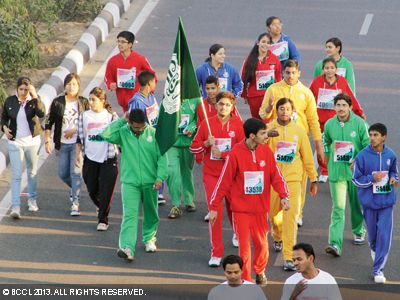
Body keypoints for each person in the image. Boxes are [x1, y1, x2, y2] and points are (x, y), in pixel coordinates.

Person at [209, 118, 290, 285]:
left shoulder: (266, 152)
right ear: (252, 136)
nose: (266, 136)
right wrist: (214, 207)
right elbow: (223, 182)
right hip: (241, 211)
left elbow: (276, 176)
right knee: (244, 249)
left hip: (260, 210)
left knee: (262, 245)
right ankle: (246, 280)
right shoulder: (235, 154)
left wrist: (284, 196)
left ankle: (259, 270)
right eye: (263, 133)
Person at [259, 59, 323, 228]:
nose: (290, 76)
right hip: (276, 140)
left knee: (299, 181)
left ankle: (297, 213)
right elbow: (263, 115)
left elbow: (313, 120)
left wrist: (318, 144)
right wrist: (268, 109)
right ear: (283, 73)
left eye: (293, 72)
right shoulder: (273, 89)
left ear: (299, 73)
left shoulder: (306, 93)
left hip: (298, 141)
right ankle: (276, 214)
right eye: (287, 72)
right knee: (275, 180)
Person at [99, 109, 167, 260]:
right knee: (129, 215)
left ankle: (149, 238)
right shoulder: (123, 132)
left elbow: (162, 158)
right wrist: (121, 120)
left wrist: (160, 178)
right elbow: (105, 134)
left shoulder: (153, 134)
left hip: (151, 183)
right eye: (135, 127)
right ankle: (127, 247)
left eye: (141, 126)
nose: (139, 130)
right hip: (130, 183)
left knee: (151, 212)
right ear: (130, 123)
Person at [190, 91, 245, 266]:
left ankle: (237, 233)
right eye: (221, 104)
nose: (224, 107)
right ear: (215, 106)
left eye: (228, 105)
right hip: (212, 175)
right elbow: (193, 148)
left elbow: (242, 151)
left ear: (232, 107)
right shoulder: (207, 123)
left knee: (234, 209)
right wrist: (206, 143)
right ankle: (216, 252)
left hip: (231, 176)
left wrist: (223, 154)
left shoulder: (238, 124)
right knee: (215, 213)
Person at [267, 98, 318, 271]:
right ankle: (277, 235)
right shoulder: (268, 129)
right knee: (273, 214)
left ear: (292, 111)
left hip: (293, 179)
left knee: (291, 217)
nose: (284, 112)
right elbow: (257, 149)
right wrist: (266, 136)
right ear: (277, 110)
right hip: (273, 180)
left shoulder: (299, 130)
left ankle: (288, 256)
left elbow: (307, 156)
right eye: (281, 108)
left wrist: (313, 178)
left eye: (288, 109)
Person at [323, 93, 368, 257]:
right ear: (334, 107)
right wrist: (327, 156)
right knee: (338, 208)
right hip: (337, 174)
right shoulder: (329, 124)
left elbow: (367, 146)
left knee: (356, 205)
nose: (341, 108)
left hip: (356, 174)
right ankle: (335, 243)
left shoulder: (360, 124)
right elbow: (325, 141)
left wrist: (358, 160)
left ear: (349, 107)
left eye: (344, 105)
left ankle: (358, 229)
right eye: (338, 105)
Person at [352, 123, 398, 283]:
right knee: (373, 236)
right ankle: (374, 248)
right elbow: (356, 180)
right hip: (369, 204)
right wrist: (372, 179)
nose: (372, 138)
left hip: (386, 203)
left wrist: (394, 179)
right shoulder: (362, 156)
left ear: (384, 137)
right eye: (371, 135)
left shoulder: (391, 155)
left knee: (384, 236)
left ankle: (378, 270)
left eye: (376, 135)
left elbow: (394, 171)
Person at [310, 57, 366, 183]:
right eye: (326, 68)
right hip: (320, 121)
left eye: (332, 68)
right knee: (323, 146)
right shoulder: (317, 82)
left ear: (336, 69)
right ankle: (324, 171)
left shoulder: (341, 81)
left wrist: (359, 112)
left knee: (339, 146)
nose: (329, 71)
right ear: (323, 69)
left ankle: (343, 170)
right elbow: (309, 97)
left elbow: (350, 97)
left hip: (337, 121)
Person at [45, 73, 89, 216]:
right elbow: (48, 122)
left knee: (75, 172)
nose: (71, 87)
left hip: (78, 144)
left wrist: (74, 130)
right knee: (63, 173)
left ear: (79, 86)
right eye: (69, 84)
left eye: (74, 84)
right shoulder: (57, 102)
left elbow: (89, 122)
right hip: (62, 144)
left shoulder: (83, 102)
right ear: (64, 86)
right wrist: (47, 140)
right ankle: (74, 189)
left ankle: (75, 203)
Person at [1, 77, 45, 219]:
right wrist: (4, 128)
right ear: (17, 89)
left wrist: (35, 95)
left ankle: (32, 199)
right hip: (15, 143)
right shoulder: (10, 101)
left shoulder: (33, 101)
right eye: (21, 89)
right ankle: (15, 206)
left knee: (32, 172)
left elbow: (42, 113)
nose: (24, 92)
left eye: (26, 89)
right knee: (16, 175)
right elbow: (3, 117)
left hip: (32, 142)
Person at [75, 87, 119, 230]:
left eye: (94, 100)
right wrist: (78, 154)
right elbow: (80, 137)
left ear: (102, 101)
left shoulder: (111, 117)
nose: (91, 102)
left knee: (106, 190)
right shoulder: (84, 116)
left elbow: (120, 135)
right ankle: (101, 206)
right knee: (92, 187)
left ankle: (103, 220)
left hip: (108, 158)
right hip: (90, 158)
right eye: (90, 99)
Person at [127, 70, 165, 204]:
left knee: (158, 162)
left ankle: (159, 192)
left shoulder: (151, 97)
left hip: (155, 136)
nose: (156, 83)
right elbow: (131, 121)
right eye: (154, 81)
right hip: (143, 138)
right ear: (149, 83)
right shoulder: (136, 101)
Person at [104, 31, 156, 112]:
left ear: (130, 45)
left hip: (139, 102)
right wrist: (110, 84)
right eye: (118, 41)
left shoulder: (140, 59)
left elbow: (153, 76)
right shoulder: (112, 61)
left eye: (123, 42)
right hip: (124, 103)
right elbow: (107, 78)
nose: (119, 44)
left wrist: (149, 91)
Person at [166, 96, 200, 219]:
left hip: (188, 142)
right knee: (172, 172)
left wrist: (191, 127)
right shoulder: (170, 95)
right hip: (172, 143)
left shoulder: (196, 99)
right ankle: (175, 204)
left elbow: (199, 118)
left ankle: (189, 200)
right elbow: (162, 117)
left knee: (186, 171)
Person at [241, 32, 281, 119]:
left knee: (268, 121)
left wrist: (279, 94)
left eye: (268, 43)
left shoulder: (275, 59)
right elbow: (244, 78)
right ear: (258, 43)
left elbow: (278, 78)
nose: (265, 44)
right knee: (257, 123)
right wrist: (244, 95)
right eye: (263, 42)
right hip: (254, 97)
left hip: (270, 96)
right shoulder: (250, 59)